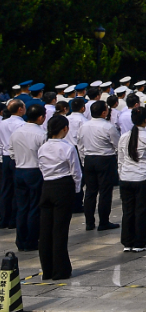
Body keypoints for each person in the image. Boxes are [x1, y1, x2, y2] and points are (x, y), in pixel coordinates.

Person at [37, 114, 80, 280]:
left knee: (46, 230)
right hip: (63, 186)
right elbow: (75, 171)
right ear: (65, 129)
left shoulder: (43, 147)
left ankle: (47, 269)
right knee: (60, 230)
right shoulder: (67, 147)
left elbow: (41, 167)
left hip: (47, 185)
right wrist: (76, 190)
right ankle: (60, 269)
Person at [117, 107, 146, 252]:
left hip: (126, 177)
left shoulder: (124, 137)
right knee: (141, 211)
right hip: (144, 177)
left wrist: (122, 174)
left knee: (128, 210)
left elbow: (120, 160)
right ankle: (139, 242)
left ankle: (127, 241)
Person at [78, 101, 120, 232]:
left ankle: (89, 222)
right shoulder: (108, 127)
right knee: (105, 192)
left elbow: (80, 145)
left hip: (89, 159)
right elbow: (117, 144)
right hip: (105, 159)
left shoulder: (84, 126)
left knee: (90, 192)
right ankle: (103, 221)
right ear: (103, 112)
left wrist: (84, 159)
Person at [11, 104, 47, 251]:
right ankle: (31, 240)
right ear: (41, 117)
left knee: (22, 208)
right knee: (34, 207)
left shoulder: (16, 133)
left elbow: (11, 151)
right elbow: (45, 155)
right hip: (34, 170)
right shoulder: (41, 134)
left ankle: (21, 240)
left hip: (19, 170)